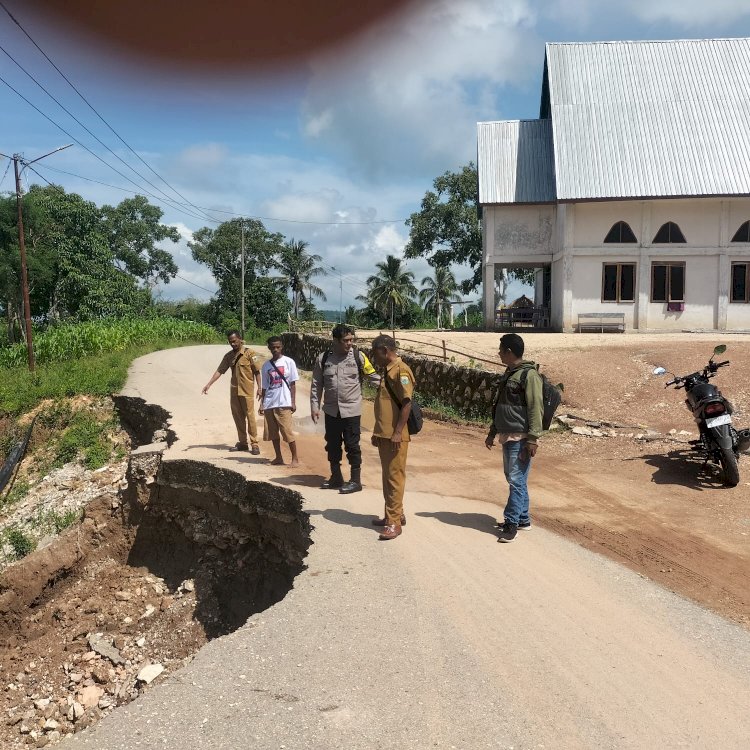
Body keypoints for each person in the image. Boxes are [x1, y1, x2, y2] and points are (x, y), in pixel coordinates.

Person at [485, 333, 543, 543]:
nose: (499, 353)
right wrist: (492, 432)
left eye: (501, 350)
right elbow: (499, 407)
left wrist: (533, 438)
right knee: (516, 479)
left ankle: (511, 524)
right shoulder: (510, 374)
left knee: (516, 480)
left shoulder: (529, 376)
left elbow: (536, 407)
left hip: (520, 437)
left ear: (509, 351)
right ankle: (523, 519)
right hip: (507, 435)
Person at [310, 324, 380, 494]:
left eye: (351, 339)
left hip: (352, 411)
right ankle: (336, 477)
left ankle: (356, 481)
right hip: (332, 411)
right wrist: (314, 406)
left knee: (352, 445)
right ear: (335, 340)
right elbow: (316, 384)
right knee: (332, 445)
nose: (350, 343)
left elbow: (373, 377)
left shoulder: (359, 357)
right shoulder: (324, 359)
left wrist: (390, 390)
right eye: (346, 340)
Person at [369, 334, 415, 541]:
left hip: (395, 436)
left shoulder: (401, 370)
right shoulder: (388, 370)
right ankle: (394, 513)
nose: (374, 358)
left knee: (394, 478)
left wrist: (397, 432)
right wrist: (377, 432)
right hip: (384, 434)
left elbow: (407, 403)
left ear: (385, 350)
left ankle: (394, 522)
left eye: (376, 353)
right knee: (388, 477)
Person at [201, 330, 262, 454]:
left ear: (240, 339)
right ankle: (243, 443)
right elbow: (220, 370)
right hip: (234, 391)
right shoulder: (228, 356)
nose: (232, 344)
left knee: (250, 418)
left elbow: (257, 372)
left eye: (234, 341)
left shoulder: (250, 353)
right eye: (230, 342)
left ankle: (254, 444)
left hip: (247, 391)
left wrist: (260, 388)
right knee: (238, 418)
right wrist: (209, 384)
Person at [259, 336, 300, 467]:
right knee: (273, 433)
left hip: (284, 403)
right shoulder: (266, 366)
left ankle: (295, 459)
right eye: (273, 347)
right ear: (269, 348)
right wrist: (262, 404)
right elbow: (264, 387)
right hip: (270, 403)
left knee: (287, 431)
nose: (275, 349)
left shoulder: (289, 362)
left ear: (282, 347)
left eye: (278, 347)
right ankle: (278, 457)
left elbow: (293, 384)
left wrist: (293, 402)